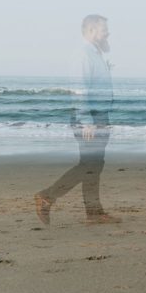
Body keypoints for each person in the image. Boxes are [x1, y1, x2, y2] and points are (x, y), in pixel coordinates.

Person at [34, 15, 119, 225]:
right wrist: (86, 121)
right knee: (89, 164)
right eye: (103, 30)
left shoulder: (95, 53)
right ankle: (48, 196)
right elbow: (79, 89)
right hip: (90, 118)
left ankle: (94, 212)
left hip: (99, 115)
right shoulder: (82, 55)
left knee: (94, 164)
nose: (107, 33)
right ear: (91, 30)